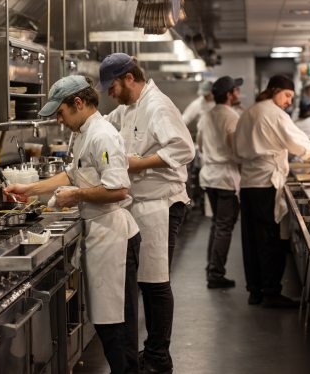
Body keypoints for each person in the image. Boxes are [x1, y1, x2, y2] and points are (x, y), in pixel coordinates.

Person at [5, 75, 141, 374]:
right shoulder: (82, 133)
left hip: (113, 237)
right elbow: (71, 175)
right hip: (99, 234)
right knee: (108, 323)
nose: (60, 119)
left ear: (78, 102)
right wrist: (28, 190)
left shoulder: (101, 135)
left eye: (61, 112)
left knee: (117, 326)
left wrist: (76, 195)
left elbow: (118, 189)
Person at [98, 53, 195, 374]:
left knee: (156, 284)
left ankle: (158, 358)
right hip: (143, 205)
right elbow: (104, 125)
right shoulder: (128, 108)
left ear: (128, 78)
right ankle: (152, 352)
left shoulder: (157, 105)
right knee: (147, 282)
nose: (108, 93)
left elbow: (184, 148)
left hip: (162, 205)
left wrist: (139, 163)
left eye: (111, 86)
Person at [233, 75, 310, 308]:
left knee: (252, 240)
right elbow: (300, 145)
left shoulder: (250, 112)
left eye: (291, 97)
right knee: (270, 241)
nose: (288, 101)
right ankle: (272, 293)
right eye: (287, 95)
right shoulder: (273, 113)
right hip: (266, 183)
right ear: (274, 91)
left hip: (248, 184)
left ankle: (255, 291)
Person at [197, 76, 243, 289]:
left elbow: (199, 144)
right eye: (236, 90)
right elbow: (237, 149)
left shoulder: (206, 116)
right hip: (225, 177)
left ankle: (211, 269)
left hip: (209, 176)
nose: (239, 93)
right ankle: (215, 273)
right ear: (229, 94)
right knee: (224, 226)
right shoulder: (231, 117)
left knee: (217, 224)